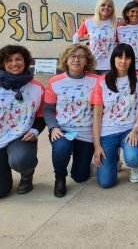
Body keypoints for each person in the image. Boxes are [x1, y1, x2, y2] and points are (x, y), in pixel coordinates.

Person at [0, 45, 45, 199]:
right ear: (2, 64)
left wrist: (35, 131)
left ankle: (26, 176)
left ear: (25, 62)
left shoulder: (37, 88)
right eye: (9, 60)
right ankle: (2, 171)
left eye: (18, 59)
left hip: (20, 138)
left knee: (23, 160)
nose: (14, 63)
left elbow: (41, 115)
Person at [91, 44, 138, 188]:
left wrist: (136, 129)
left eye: (127, 57)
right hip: (107, 132)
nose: (123, 61)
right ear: (113, 59)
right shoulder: (102, 81)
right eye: (119, 57)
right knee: (106, 183)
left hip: (130, 129)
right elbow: (97, 115)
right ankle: (114, 159)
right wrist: (97, 145)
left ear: (132, 61)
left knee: (133, 158)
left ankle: (135, 167)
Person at [44, 44, 99, 197]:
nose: (76, 59)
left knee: (80, 177)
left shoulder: (96, 81)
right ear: (66, 60)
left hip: (86, 133)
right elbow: (48, 110)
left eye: (81, 56)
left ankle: (79, 161)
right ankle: (60, 177)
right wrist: (53, 127)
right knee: (61, 148)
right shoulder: (55, 81)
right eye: (72, 56)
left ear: (86, 60)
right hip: (63, 130)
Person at [73, 0, 117, 74]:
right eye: (103, 5)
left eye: (109, 6)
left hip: (109, 66)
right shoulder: (89, 22)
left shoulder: (115, 23)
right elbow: (76, 37)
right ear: (98, 7)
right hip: (92, 64)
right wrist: (79, 52)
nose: (106, 7)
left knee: (106, 86)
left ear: (112, 9)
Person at [117, 1, 138, 79]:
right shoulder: (119, 28)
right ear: (127, 13)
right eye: (132, 11)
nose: (135, 14)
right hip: (124, 66)